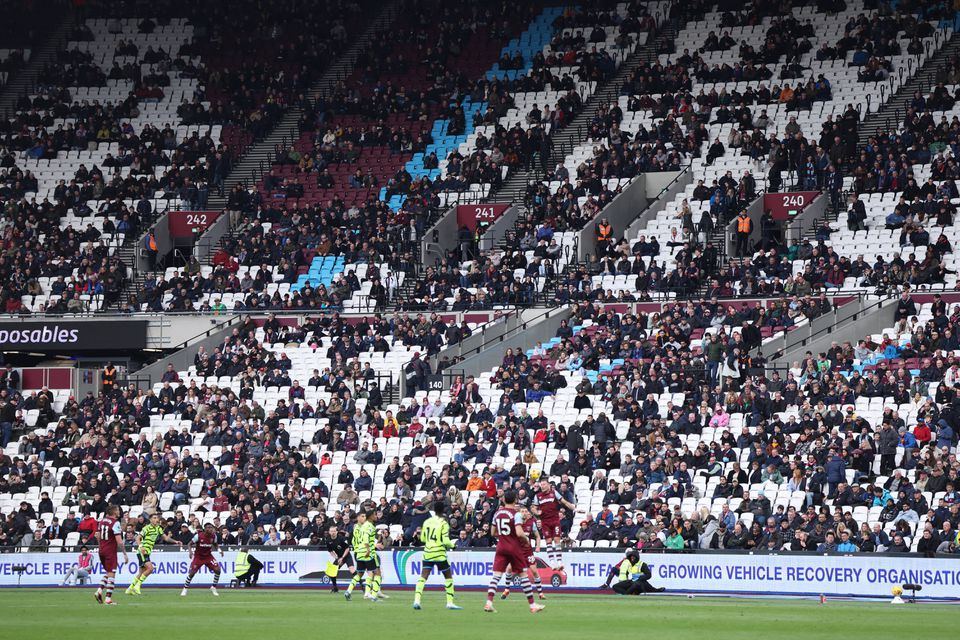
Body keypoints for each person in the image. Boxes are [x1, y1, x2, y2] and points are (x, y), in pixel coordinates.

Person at [483, 489, 545, 614]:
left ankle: (489, 603)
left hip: (501, 546)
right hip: (514, 548)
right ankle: (532, 605)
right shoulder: (516, 514)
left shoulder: (497, 514)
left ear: (504, 499)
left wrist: (503, 537)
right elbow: (518, 532)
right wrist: (526, 539)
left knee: (496, 576)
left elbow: (493, 533)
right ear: (516, 500)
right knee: (523, 576)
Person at [412, 501, 461, 610]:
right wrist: (453, 546)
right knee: (448, 577)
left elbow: (423, 539)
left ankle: (416, 600)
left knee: (423, 577)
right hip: (439, 553)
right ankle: (449, 602)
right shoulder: (443, 523)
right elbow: (445, 540)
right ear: (443, 510)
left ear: (433, 510)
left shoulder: (427, 522)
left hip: (428, 553)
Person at [127, 512, 181, 594]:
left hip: (147, 552)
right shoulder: (146, 528)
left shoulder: (158, 528)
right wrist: (141, 547)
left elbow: (165, 538)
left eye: (157, 518)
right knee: (150, 569)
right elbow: (138, 538)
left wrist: (176, 541)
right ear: (150, 520)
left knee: (141, 572)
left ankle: (130, 589)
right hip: (142, 551)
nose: (156, 519)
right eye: (154, 518)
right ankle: (137, 586)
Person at [501, 506, 546, 601]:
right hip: (516, 551)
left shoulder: (531, 523)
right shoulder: (515, 523)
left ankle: (540, 593)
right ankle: (506, 589)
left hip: (527, 551)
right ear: (519, 513)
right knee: (509, 568)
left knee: (534, 571)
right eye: (522, 511)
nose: (524, 513)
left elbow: (537, 536)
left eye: (526, 511)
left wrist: (538, 546)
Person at [533, 478, 575, 571]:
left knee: (557, 540)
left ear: (548, 485)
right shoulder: (538, 496)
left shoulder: (554, 493)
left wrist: (572, 507)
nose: (542, 486)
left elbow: (563, 501)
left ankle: (559, 562)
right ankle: (552, 563)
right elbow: (534, 508)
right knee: (548, 541)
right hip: (545, 522)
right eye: (541, 485)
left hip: (555, 520)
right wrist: (537, 512)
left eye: (544, 484)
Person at [345, 510, 385, 601]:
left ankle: (349, 590)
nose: (363, 518)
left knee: (360, 573)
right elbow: (366, 540)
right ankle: (372, 595)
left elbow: (355, 541)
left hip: (358, 552)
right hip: (367, 552)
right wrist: (370, 548)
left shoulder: (358, 527)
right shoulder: (367, 526)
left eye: (364, 516)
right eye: (362, 516)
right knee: (376, 573)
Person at [95, 505, 128, 605]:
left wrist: (102, 546)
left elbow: (98, 536)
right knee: (112, 575)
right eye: (118, 510)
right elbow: (119, 541)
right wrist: (125, 554)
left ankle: (99, 591)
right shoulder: (115, 523)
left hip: (101, 550)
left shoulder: (102, 521)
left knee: (109, 573)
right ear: (114, 512)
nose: (119, 512)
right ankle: (108, 599)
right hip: (110, 551)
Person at [181, 522, 223, 596]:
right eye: (208, 527)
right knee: (192, 573)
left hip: (208, 557)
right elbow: (189, 544)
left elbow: (215, 544)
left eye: (211, 527)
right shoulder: (198, 536)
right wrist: (190, 552)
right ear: (205, 529)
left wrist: (219, 550)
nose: (210, 529)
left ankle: (213, 587)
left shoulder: (214, 536)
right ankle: (185, 588)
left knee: (218, 570)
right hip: (198, 557)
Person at [325, 525, 353, 593]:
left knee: (353, 571)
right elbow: (331, 551)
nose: (333, 532)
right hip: (339, 557)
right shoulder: (328, 540)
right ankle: (335, 588)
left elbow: (347, 549)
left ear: (337, 532)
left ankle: (363, 587)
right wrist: (337, 558)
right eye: (331, 531)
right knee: (332, 572)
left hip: (347, 556)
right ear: (329, 532)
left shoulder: (342, 538)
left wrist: (342, 558)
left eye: (334, 531)